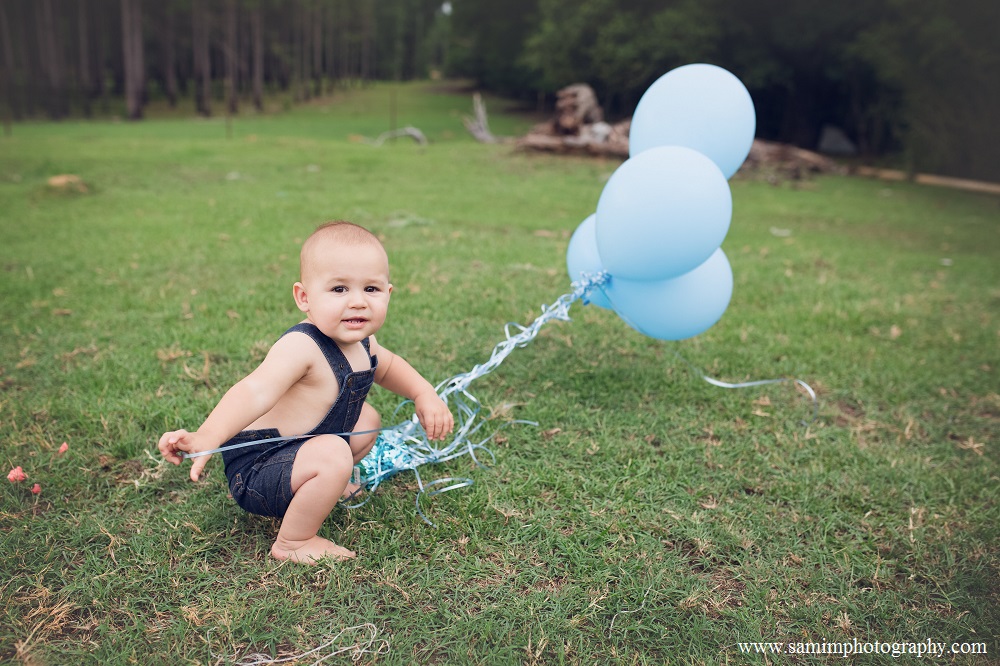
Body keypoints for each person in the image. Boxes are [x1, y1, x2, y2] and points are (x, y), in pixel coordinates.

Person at [158, 221, 454, 563]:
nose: (357, 302)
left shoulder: (364, 342)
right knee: (333, 453)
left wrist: (423, 394)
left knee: (367, 419)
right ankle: (294, 542)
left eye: (370, 289)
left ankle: (324, 484)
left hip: (301, 450)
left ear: (388, 293)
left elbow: (389, 367)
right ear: (304, 297)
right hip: (259, 468)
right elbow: (254, 390)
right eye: (339, 289)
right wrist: (207, 434)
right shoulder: (302, 346)